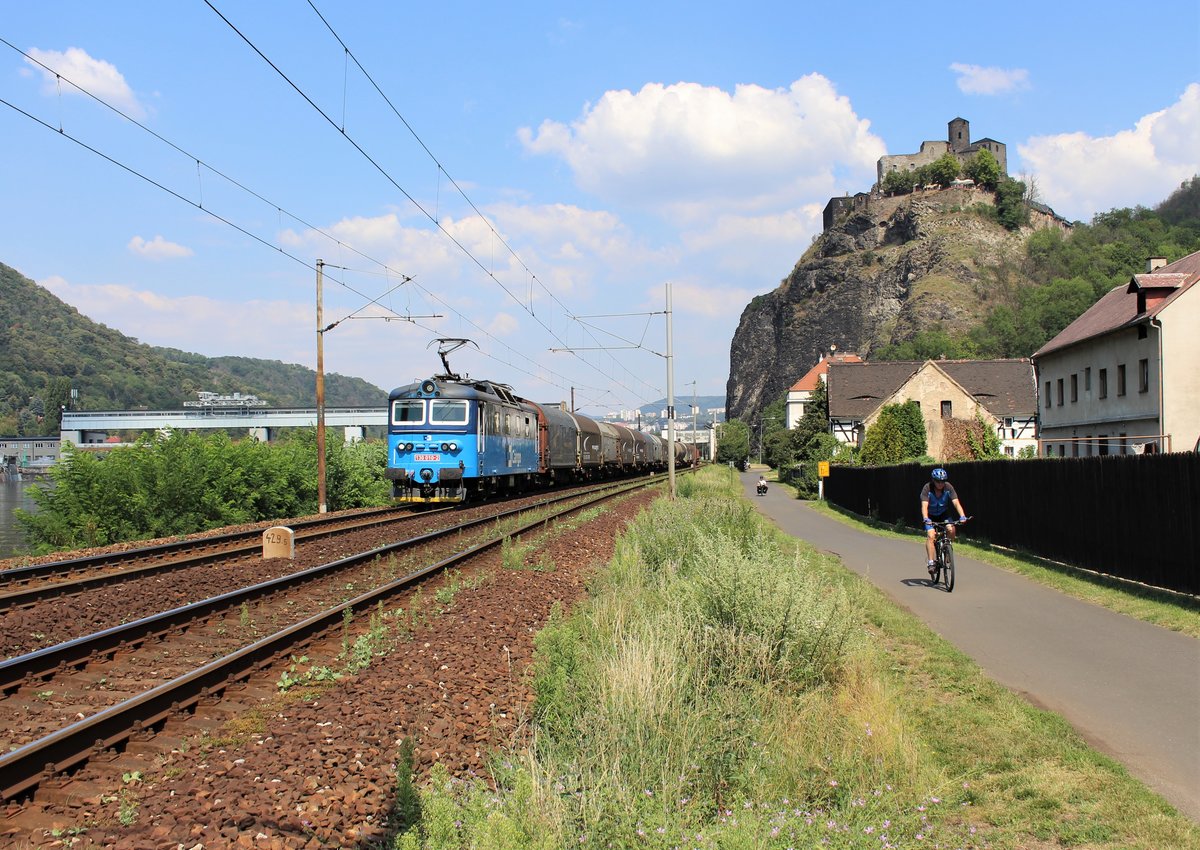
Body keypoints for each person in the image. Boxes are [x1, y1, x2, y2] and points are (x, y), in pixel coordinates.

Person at [920, 467, 966, 578]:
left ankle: (947, 550)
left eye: (943, 481)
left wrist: (962, 516)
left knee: (951, 529)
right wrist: (926, 518)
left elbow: (956, 503)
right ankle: (931, 562)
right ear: (933, 480)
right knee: (931, 536)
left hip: (943, 514)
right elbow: (924, 506)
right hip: (930, 516)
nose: (940, 484)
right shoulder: (927, 488)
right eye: (938, 481)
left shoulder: (948, 487)